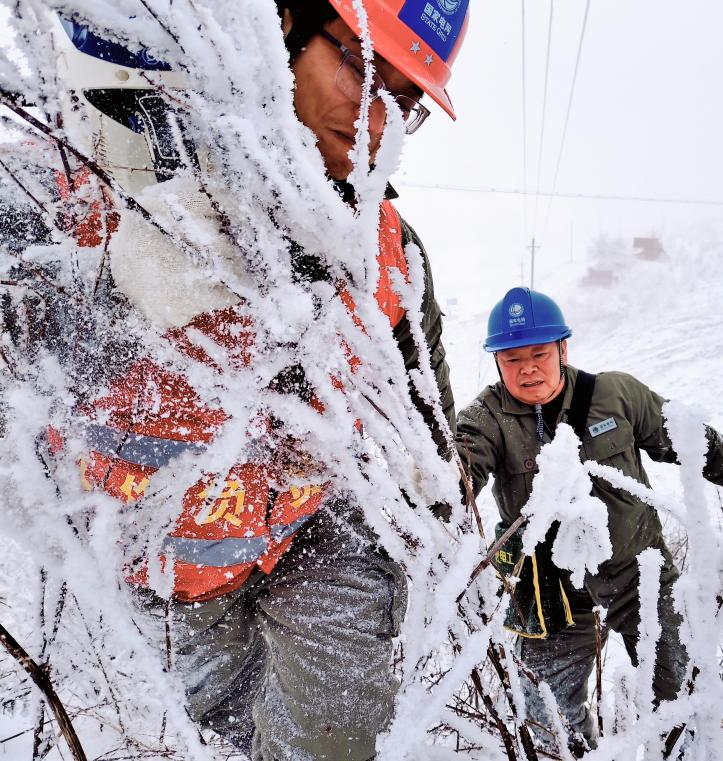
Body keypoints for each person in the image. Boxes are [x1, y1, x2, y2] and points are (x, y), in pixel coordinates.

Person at [39, 2, 469, 759]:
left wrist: (436, 512)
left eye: (404, 101)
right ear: (284, 30)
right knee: (225, 731)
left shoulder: (392, 250)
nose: (377, 121)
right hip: (165, 573)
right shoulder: (110, 185)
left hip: (318, 535)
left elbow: (426, 420)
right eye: (360, 69)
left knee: (328, 736)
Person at [456, 286, 723, 754]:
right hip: (546, 582)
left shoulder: (615, 394)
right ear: (496, 362)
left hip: (636, 571)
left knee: (677, 693)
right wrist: (435, 493)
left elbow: (690, 438)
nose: (528, 367)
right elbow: (458, 473)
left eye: (539, 353)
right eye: (512, 359)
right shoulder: (484, 417)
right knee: (546, 712)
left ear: (562, 349)